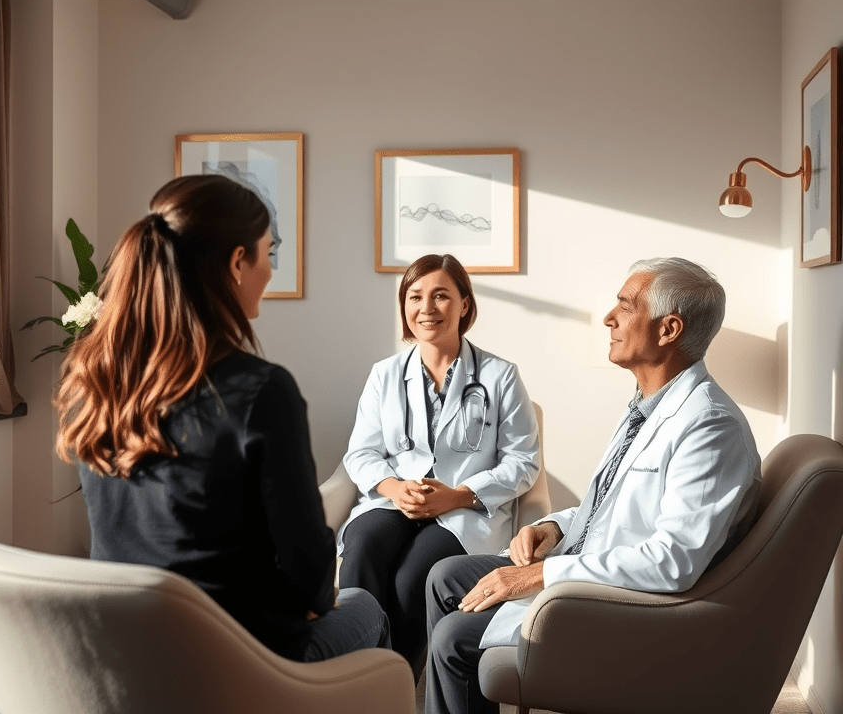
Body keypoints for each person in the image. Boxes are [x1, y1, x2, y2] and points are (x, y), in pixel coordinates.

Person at [54, 174, 390, 662]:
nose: (270, 271)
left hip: (128, 651)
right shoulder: (261, 392)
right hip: (242, 661)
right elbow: (309, 570)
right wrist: (312, 602)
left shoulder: (95, 382)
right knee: (366, 610)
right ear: (237, 262)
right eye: (267, 253)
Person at [423, 257, 762, 714]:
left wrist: (539, 574)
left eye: (625, 305)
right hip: (591, 570)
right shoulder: (647, 406)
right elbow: (614, 508)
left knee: (453, 638)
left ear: (668, 330)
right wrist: (554, 528)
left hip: (626, 606)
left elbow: (674, 562)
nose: (609, 317)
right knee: (444, 575)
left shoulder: (709, 426)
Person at [338, 253, 540, 673]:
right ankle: (354, 674)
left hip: (464, 510)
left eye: (441, 296)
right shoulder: (385, 374)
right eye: (415, 296)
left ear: (464, 304)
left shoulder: (501, 375)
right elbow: (361, 453)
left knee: (414, 577)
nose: (426, 308)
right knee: (362, 547)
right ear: (404, 305)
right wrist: (395, 488)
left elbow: (523, 461)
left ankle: (396, 679)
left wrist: (460, 494)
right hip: (397, 501)